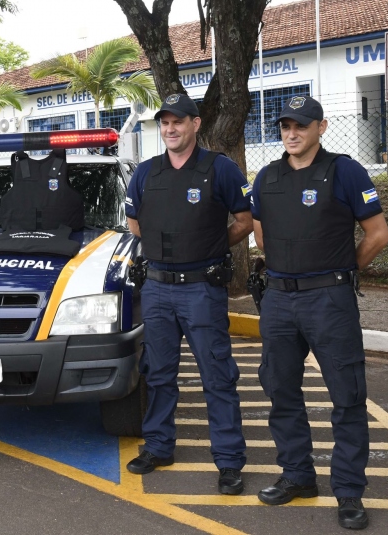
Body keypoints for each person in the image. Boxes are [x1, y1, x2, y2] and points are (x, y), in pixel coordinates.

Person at [252, 95, 388, 530]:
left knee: (346, 398)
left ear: (321, 128)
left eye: (301, 126)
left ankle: (348, 492)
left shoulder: (344, 171)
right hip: (277, 299)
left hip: (329, 300)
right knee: (281, 391)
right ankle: (297, 475)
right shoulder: (267, 176)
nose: (292, 133)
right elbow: (259, 233)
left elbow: (378, 234)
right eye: (285, 126)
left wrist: (345, 267)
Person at [124, 94, 253, 495]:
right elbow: (134, 224)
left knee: (217, 376)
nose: (170, 129)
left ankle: (229, 462)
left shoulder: (220, 169)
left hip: (202, 290)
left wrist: (209, 247)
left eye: (178, 122)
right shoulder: (146, 172)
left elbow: (245, 221)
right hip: (158, 289)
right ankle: (159, 447)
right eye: (164, 123)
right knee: (158, 374)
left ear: (196, 124)